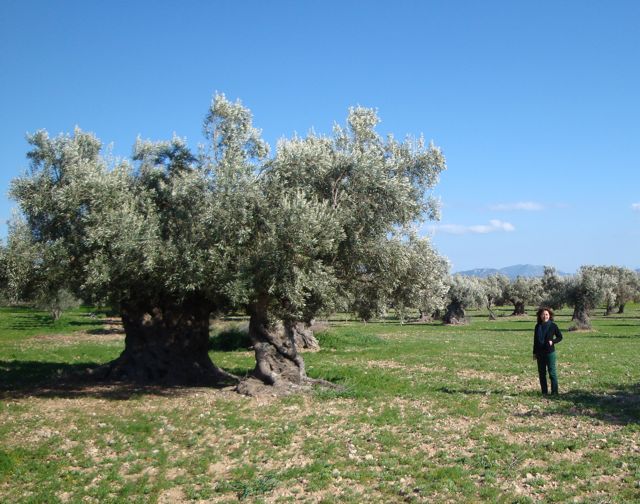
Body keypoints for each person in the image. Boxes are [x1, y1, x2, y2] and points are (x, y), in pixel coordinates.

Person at [533, 307, 563, 395]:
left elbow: (560, 337)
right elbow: (535, 340)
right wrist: (534, 353)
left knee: (552, 372)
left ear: (549, 316)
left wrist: (552, 341)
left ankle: (554, 392)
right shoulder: (537, 326)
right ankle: (544, 392)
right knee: (541, 374)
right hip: (539, 353)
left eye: (546, 314)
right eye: (543, 314)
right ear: (540, 316)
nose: (544, 316)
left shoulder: (553, 326)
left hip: (550, 353)